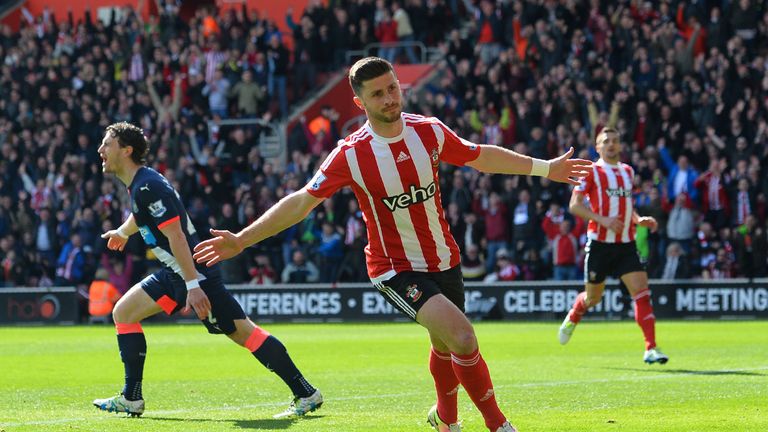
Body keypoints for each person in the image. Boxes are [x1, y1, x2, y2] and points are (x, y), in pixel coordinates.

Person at [193, 57, 591, 432]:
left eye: (392, 88)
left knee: (444, 343)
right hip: (393, 267)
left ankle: (446, 420)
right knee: (464, 337)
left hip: (442, 257)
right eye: (378, 94)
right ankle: (497, 423)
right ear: (359, 101)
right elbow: (301, 202)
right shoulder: (350, 154)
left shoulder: (429, 131)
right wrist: (243, 239)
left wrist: (545, 168)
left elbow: (478, 156)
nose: (389, 98)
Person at [92, 122, 322, 417]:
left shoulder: (148, 186)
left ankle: (306, 392)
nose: (101, 150)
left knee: (244, 334)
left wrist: (192, 286)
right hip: (176, 273)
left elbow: (176, 236)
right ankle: (131, 397)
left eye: (106, 144)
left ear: (126, 150)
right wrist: (124, 233)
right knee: (123, 313)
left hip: (192, 273)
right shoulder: (140, 184)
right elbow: (140, 216)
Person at [558, 127, 669, 365]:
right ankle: (575, 313)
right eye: (606, 141)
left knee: (642, 294)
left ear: (620, 146)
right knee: (593, 298)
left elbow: (625, 206)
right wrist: (602, 219)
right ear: (598, 147)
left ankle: (651, 347)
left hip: (626, 244)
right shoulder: (591, 171)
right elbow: (574, 206)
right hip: (599, 244)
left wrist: (639, 220)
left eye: (615, 141)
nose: (611, 144)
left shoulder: (628, 171)